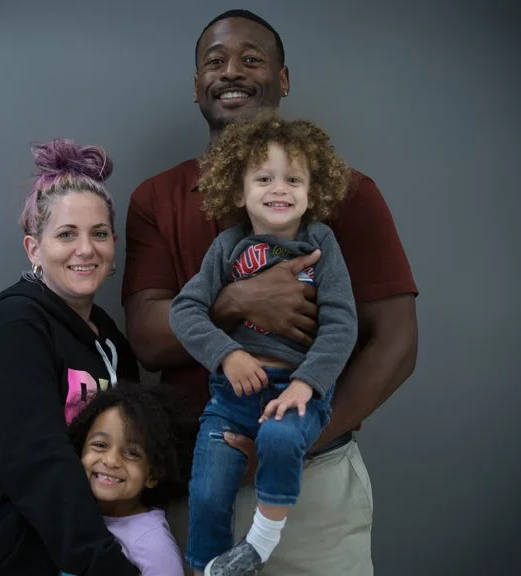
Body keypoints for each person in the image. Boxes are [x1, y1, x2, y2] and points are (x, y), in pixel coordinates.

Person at [122, 9, 419, 575]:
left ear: (282, 79)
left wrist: (292, 439)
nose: (232, 71)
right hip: (198, 473)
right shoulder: (156, 198)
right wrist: (238, 301)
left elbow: (397, 344)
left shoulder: (347, 194)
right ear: (196, 85)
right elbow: (147, 339)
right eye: (215, 61)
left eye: (252, 59)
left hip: (312, 480)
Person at [0, 138, 142, 575]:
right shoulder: (14, 329)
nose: (85, 249)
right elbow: (38, 462)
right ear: (34, 249)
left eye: (99, 234)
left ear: (113, 245)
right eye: (66, 234)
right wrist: (106, 566)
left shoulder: (113, 344)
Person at [169, 109, 358, 575]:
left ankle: (259, 543)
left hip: (296, 391)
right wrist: (227, 354)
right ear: (239, 191)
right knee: (207, 489)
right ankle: (211, 568)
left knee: (279, 436)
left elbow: (341, 324)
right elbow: (184, 311)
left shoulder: (320, 242)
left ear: (312, 192)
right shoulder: (226, 247)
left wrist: (307, 384)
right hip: (231, 397)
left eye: (293, 179)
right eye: (264, 178)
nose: (280, 189)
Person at [62, 381, 191, 576]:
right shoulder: (69, 513)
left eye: (132, 453)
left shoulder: (153, 545)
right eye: (100, 445)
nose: (111, 461)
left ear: (152, 475)